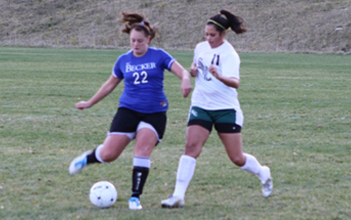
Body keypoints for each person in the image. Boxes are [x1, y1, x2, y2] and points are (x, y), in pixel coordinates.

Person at [68, 12, 192, 210]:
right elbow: (109, 85)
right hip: (128, 111)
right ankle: (87, 158)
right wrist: (90, 102)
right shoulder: (123, 60)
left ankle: (135, 197)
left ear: (149, 39)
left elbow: (182, 71)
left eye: (140, 41)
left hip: (154, 112)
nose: (135, 44)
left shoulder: (159, 55)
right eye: (133, 40)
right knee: (108, 154)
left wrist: (185, 80)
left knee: (142, 149)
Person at [161, 9, 273, 208]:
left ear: (223, 34)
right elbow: (197, 68)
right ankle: (178, 196)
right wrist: (193, 72)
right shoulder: (200, 48)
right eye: (206, 34)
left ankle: (262, 172)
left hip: (225, 109)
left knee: (237, 158)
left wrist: (219, 76)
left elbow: (235, 83)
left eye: (213, 35)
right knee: (191, 147)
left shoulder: (230, 55)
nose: (208, 38)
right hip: (201, 105)